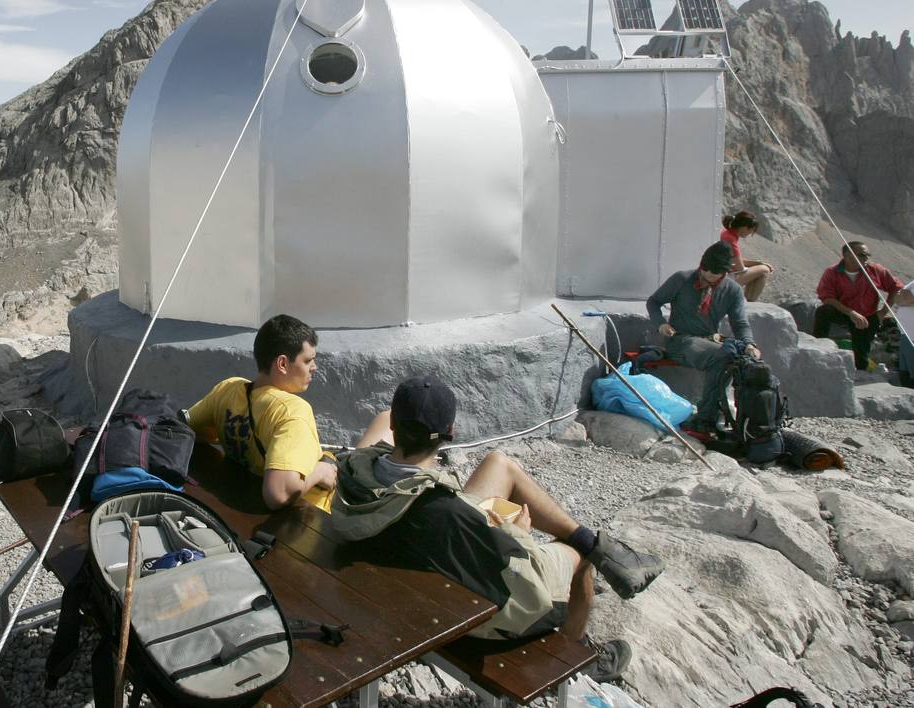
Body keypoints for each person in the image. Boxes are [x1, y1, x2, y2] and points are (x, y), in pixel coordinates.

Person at [330, 376, 664, 682]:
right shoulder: (446, 511)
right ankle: (580, 650)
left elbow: (386, 424)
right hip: (460, 611)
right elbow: (530, 588)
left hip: (405, 556)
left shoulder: (357, 470)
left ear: (393, 425)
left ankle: (599, 546)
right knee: (578, 556)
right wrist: (517, 533)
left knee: (499, 464)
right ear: (451, 430)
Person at [187, 314, 337, 511]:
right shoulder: (292, 412)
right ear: (282, 364)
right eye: (308, 360)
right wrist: (320, 471)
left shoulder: (229, 389)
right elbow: (279, 494)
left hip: (234, 494)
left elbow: (185, 428)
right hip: (294, 521)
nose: (314, 368)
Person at [647, 241, 760, 433]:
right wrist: (661, 324)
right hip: (681, 341)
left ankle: (749, 421)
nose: (707, 275)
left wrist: (749, 344)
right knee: (722, 356)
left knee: (743, 359)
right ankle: (706, 418)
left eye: (713, 273)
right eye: (704, 269)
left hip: (710, 341)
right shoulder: (682, 279)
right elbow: (654, 302)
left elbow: (740, 323)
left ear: (725, 272)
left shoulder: (732, 290)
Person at [813, 241, 905, 374]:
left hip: (867, 315)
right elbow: (826, 297)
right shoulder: (832, 272)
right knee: (823, 311)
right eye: (862, 255)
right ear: (846, 255)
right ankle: (818, 349)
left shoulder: (875, 270)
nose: (866, 258)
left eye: (868, 255)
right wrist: (851, 313)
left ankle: (861, 369)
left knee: (861, 357)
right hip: (843, 312)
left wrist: (883, 312)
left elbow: (896, 288)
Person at [720, 211, 773, 302]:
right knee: (764, 270)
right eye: (750, 230)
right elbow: (740, 267)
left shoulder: (726, 233)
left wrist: (757, 263)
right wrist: (759, 265)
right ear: (744, 227)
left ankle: (748, 300)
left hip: (721, 276)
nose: (750, 233)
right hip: (723, 280)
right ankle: (750, 302)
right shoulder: (731, 239)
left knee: (759, 268)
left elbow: (734, 260)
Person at [895, 281, 914, 388]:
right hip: (906, 335)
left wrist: (905, 298)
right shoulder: (912, 284)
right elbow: (896, 298)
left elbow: (905, 297)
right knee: (905, 376)